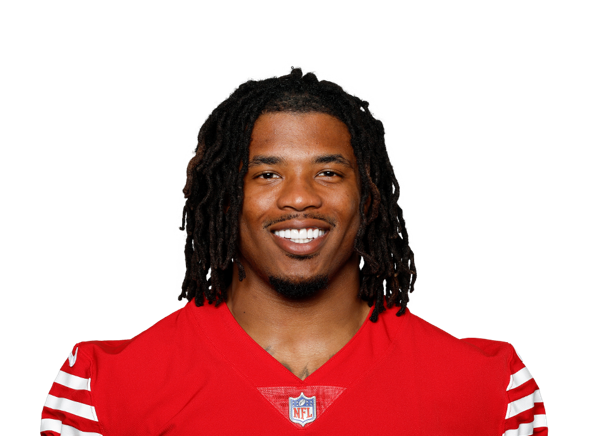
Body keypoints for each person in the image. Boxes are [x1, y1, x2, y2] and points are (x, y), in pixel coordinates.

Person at [41, 66, 548, 435]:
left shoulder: (491, 390)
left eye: (328, 172)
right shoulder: (102, 391)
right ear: (224, 199)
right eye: (267, 174)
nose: (300, 198)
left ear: (369, 197)